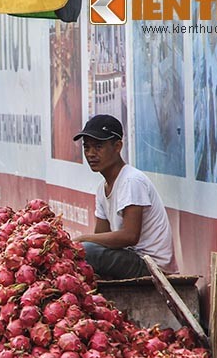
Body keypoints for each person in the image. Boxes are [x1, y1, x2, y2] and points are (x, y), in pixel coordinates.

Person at [72, 115, 177, 279]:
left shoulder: (131, 181)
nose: (90, 154)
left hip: (151, 265)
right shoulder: (102, 188)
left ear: (117, 146)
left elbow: (130, 236)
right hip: (130, 258)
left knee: (86, 250)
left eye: (98, 147)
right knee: (82, 254)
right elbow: (100, 236)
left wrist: (81, 239)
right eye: (87, 147)